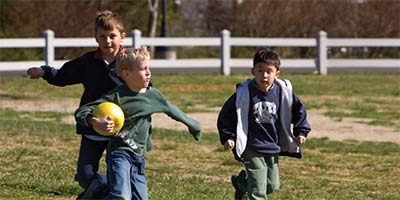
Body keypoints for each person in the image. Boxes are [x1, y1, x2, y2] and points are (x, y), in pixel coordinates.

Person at [75, 47, 202, 200]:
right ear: (126, 74)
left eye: (148, 68)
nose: (148, 72)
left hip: (139, 156)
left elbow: (172, 109)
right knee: (121, 195)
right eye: (143, 69)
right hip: (119, 153)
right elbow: (81, 111)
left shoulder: (153, 95)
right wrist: (95, 121)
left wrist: (193, 125)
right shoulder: (116, 96)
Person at [26, 10, 126, 199]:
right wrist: (44, 71)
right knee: (85, 176)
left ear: (122, 37)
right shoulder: (87, 62)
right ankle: (101, 185)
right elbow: (63, 75)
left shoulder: (129, 61)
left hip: (121, 130)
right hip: (92, 126)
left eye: (112, 36)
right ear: (95, 37)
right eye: (102, 36)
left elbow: (144, 86)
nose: (108, 41)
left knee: (120, 175)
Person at [217, 48, 311, 200]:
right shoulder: (244, 93)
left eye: (269, 71)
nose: (264, 76)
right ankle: (250, 191)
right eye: (260, 71)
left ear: (277, 74)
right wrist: (229, 137)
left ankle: (242, 184)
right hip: (251, 146)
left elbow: (298, 110)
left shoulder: (283, 92)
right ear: (253, 71)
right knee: (258, 190)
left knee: (272, 185)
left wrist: (301, 131)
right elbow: (226, 116)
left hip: (272, 145)